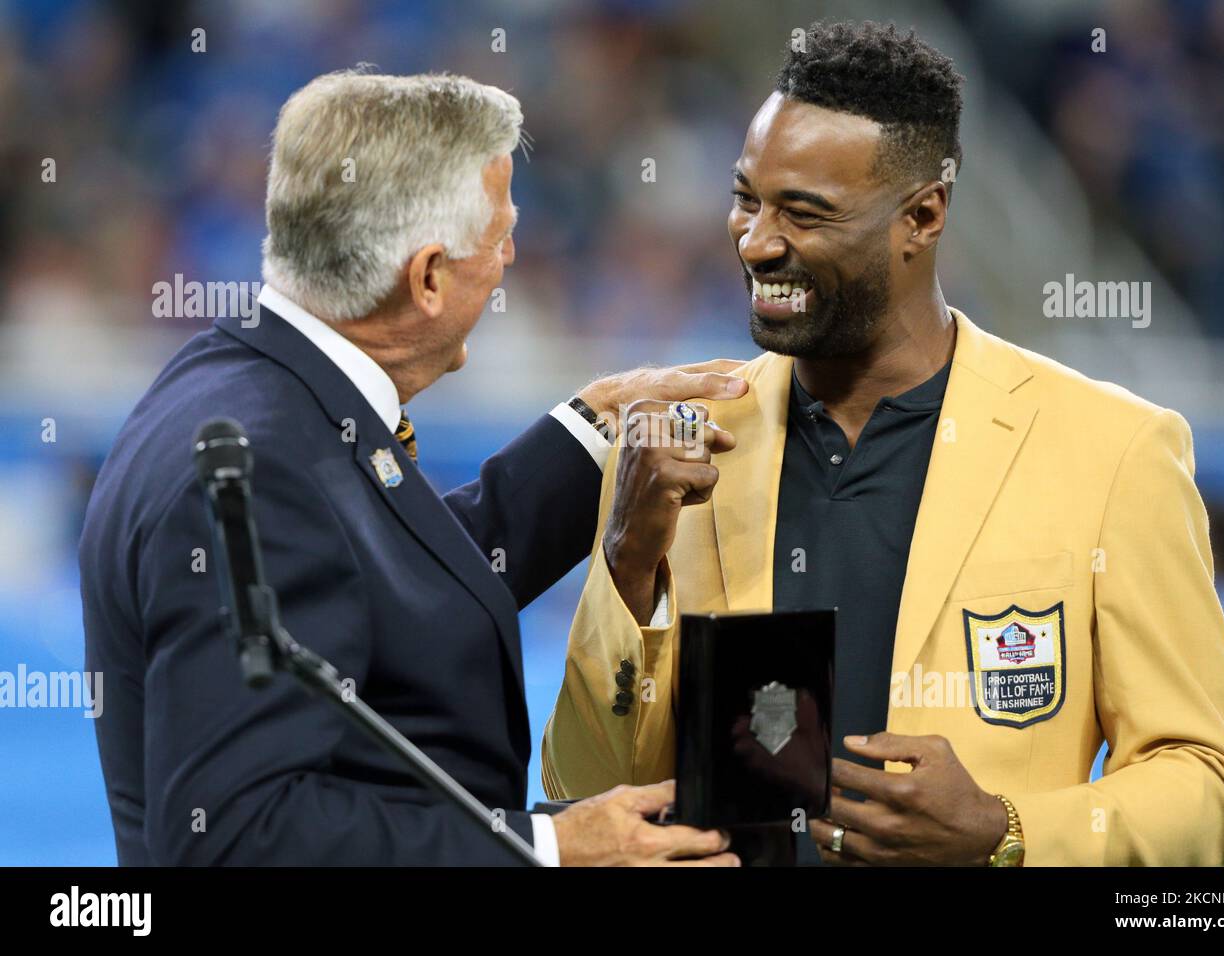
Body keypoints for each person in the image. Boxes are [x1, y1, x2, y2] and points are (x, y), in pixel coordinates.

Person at [542, 21, 1224, 866]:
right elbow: (582, 789)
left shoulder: (1113, 451)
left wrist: (1006, 832)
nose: (756, 240)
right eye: (746, 197)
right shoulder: (683, 449)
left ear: (922, 216)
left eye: (804, 212)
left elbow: (1204, 783)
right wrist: (625, 564)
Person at [80, 69, 746, 866]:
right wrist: (549, 846)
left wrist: (592, 428)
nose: (509, 257)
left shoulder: (245, 381)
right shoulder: (260, 473)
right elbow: (238, 838)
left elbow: (387, 587)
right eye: (502, 234)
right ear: (429, 277)